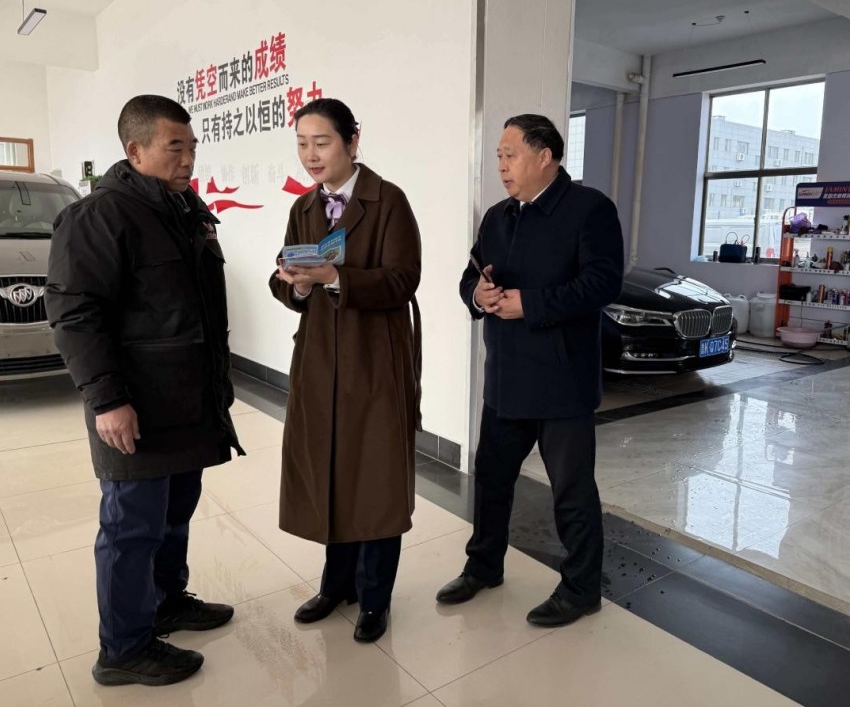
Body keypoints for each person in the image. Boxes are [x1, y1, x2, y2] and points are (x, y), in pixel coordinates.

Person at [46, 95, 244, 686]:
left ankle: (165, 601)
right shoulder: (99, 217)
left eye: (192, 147)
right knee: (131, 527)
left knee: (174, 513)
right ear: (135, 151)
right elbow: (76, 315)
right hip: (134, 404)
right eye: (174, 147)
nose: (188, 159)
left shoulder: (183, 210)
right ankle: (123, 648)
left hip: (186, 401)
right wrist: (106, 399)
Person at [437, 114, 624, 627]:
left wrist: (532, 304)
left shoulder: (589, 209)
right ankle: (483, 567)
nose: (501, 165)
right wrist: (478, 294)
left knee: (571, 490)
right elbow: (470, 274)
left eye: (510, 154)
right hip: (506, 377)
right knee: (492, 479)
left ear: (545, 157)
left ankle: (581, 588)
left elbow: (603, 283)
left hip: (562, 381)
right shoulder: (498, 217)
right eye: (498, 156)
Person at [270, 98, 422, 644]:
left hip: (373, 361)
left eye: (322, 142)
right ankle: (337, 585)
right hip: (319, 362)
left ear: (352, 141)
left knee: (375, 479)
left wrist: (335, 278)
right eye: (302, 144)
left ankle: (375, 598)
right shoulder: (304, 206)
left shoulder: (388, 200)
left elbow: (403, 279)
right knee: (330, 471)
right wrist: (296, 285)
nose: (311, 155)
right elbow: (284, 278)